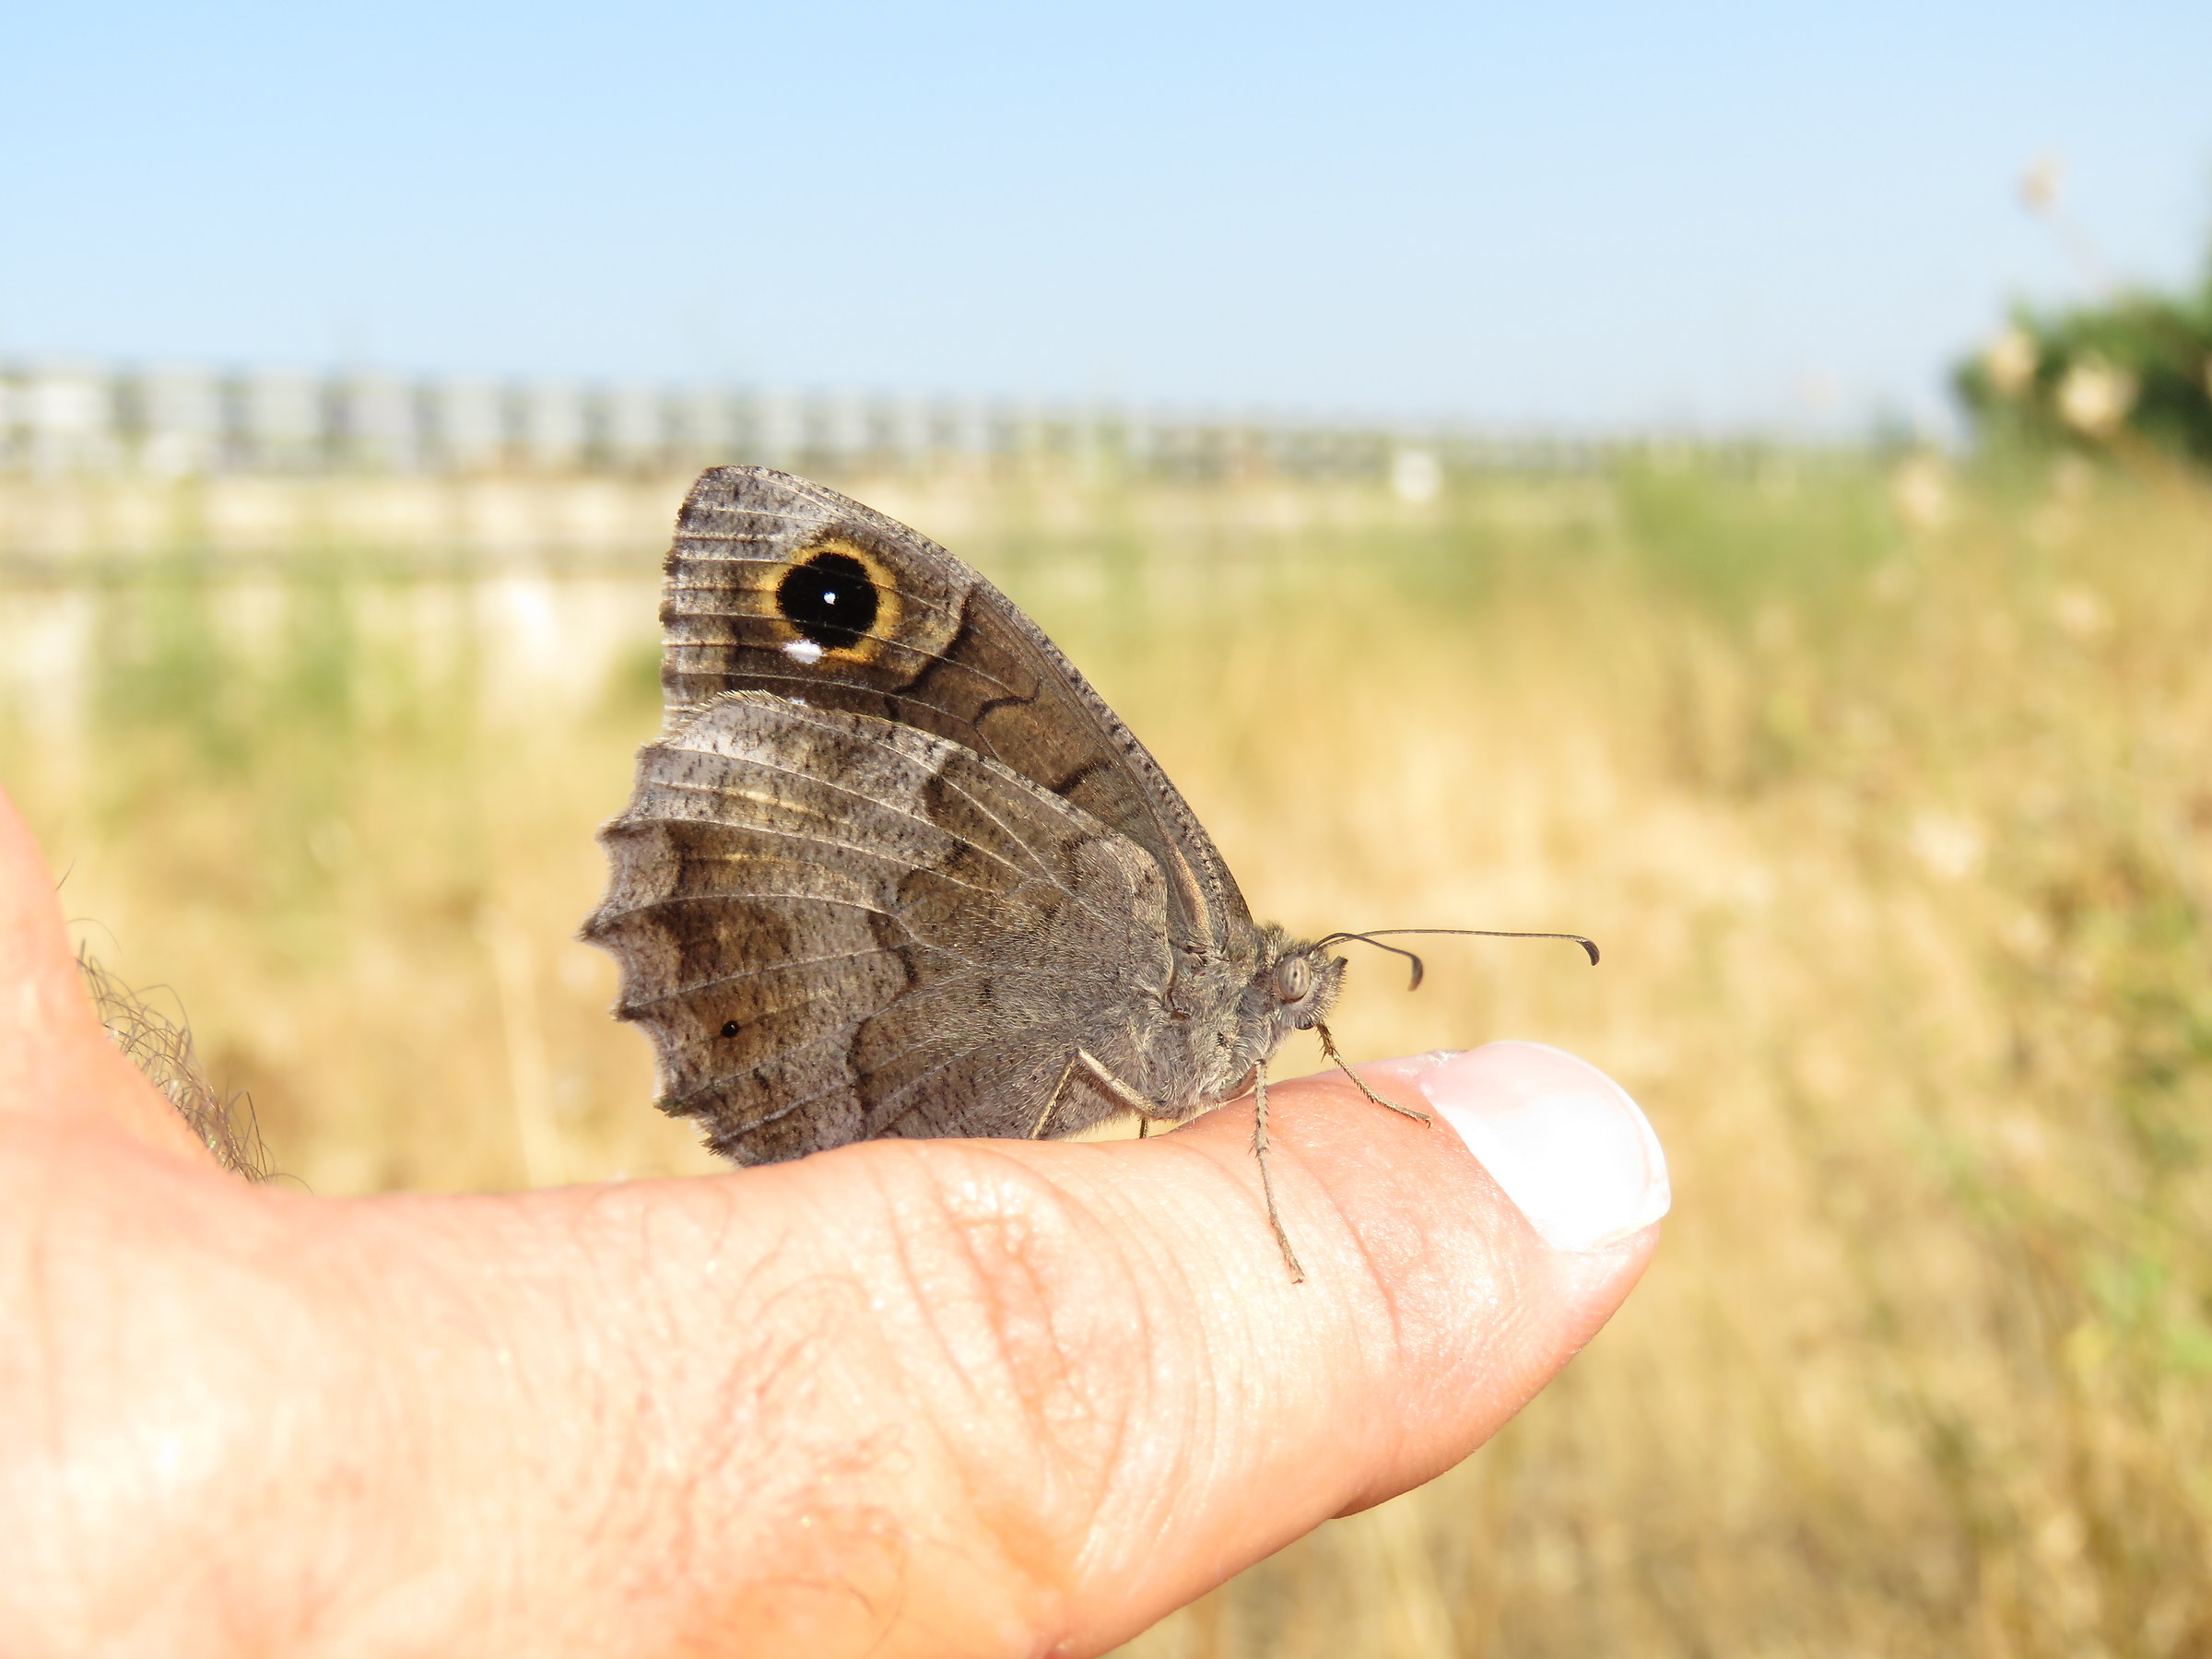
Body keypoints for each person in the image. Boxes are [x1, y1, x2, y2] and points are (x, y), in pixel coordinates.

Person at [0, 789, 1666, 1657]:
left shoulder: (1248, 1008)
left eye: (1314, 998)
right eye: (1305, 986)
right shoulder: (1167, 944)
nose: (1307, 999)